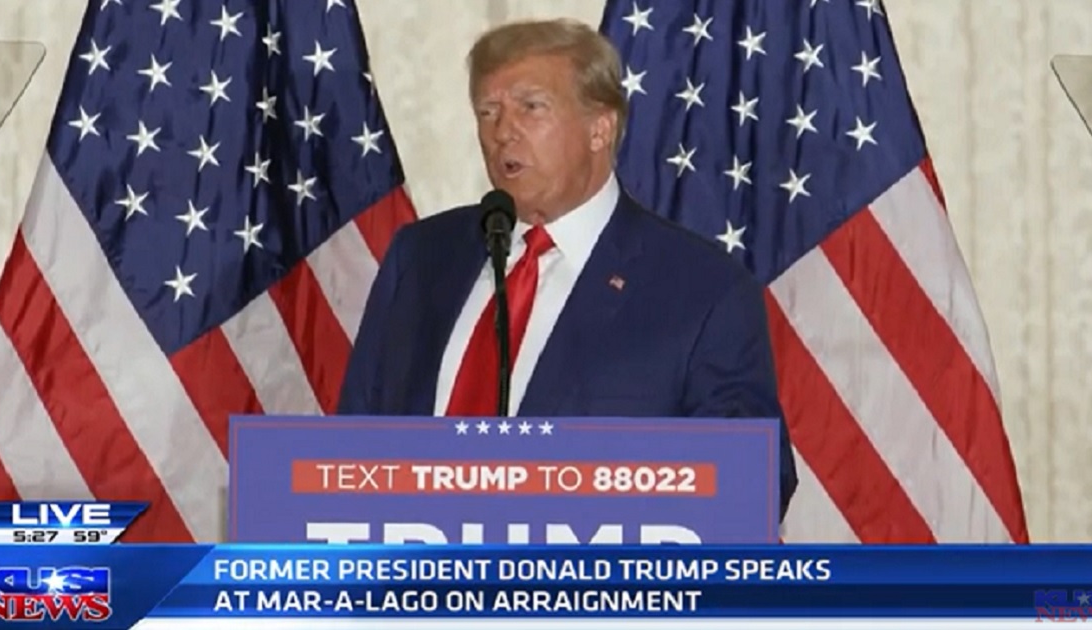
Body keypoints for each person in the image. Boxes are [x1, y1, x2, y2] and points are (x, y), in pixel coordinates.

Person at [338, 18, 797, 519]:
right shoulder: (423, 258)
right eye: (488, 111)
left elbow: (752, 480)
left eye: (531, 107)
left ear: (601, 128)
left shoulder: (701, 288)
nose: (502, 131)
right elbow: (350, 448)